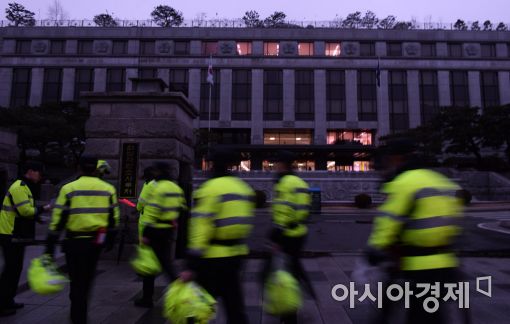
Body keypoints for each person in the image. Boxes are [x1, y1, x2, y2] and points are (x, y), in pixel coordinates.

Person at [366, 138, 465, 324]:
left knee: (416, 316)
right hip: (447, 262)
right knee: (432, 314)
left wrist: (374, 249)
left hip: (416, 264)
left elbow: (389, 220)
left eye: (389, 159)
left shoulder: (404, 182)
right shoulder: (442, 181)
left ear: (397, 159)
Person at [180, 149, 255, 324]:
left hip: (211, 259)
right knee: (234, 306)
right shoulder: (243, 188)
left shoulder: (209, 189)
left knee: (200, 306)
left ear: (213, 165)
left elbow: (201, 228)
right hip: (236, 255)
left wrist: (191, 263)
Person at [45, 155, 120, 324]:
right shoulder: (108, 189)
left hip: (74, 242)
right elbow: (114, 218)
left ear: (78, 167)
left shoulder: (68, 188)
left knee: (76, 280)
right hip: (95, 243)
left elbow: (58, 218)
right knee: (87, 278)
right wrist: (111, 240)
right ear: (95, 168)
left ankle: (77, 315)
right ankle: (81, 312)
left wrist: (51, 243)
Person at [262, 151, 314, 324]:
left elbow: (284, 210)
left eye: (276, 163)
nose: (274, 166)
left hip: (286, 235)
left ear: (283, 165)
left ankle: (289, 313)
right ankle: (290, 310)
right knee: (291, 270)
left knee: (277, 274)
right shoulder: (300, 182)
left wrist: (277, 235)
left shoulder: (284, 183)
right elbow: (305, 209)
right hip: (299, 233)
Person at [0, 161, 48, 316]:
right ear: (30, 171)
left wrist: (39, 218)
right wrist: (44, 208)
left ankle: (8, 300)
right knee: (11, 270)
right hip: (11, 234)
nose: (40, 176)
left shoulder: (25, 186)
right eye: (39, 172)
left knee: (15, 269)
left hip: (17, 235)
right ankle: (2, 304)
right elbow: (25, 211)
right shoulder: (20, 187)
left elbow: (25, 212)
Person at [134, 163, 184, 307]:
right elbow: (181, 207)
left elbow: (141, 205)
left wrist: (146, 234)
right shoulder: (174, 187)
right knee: (166, 263)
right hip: (167, 229)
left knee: (149, 264)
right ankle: (178, 290)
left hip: (151, 229)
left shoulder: (152, 185)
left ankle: (148, 297)